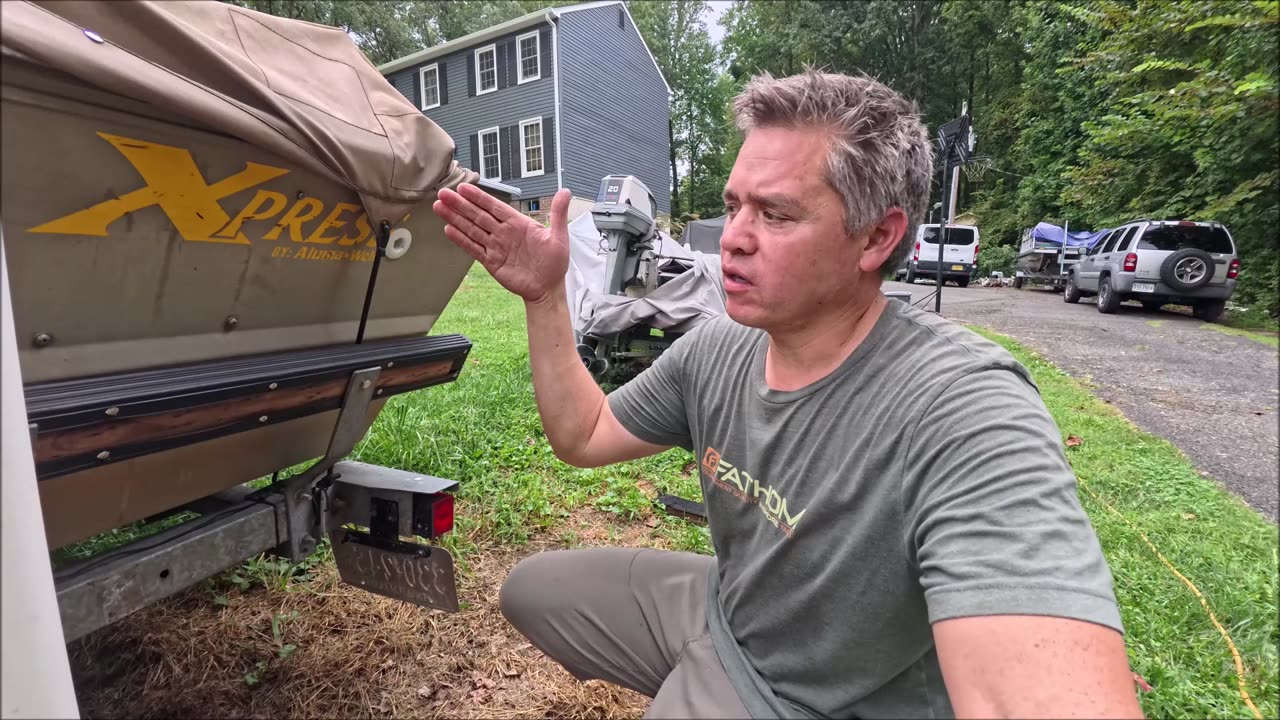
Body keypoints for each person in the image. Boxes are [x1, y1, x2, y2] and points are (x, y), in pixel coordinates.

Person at [432, 69, 1143, 719]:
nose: (733, 240)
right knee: (533, 592)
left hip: (825, 693)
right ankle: (700, 666)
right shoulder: (719, 347)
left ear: (876, 239)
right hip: (729, 613)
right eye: (733, 206)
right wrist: (543, 297)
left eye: (775, 215)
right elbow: (583, 435)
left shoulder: (961, 407)